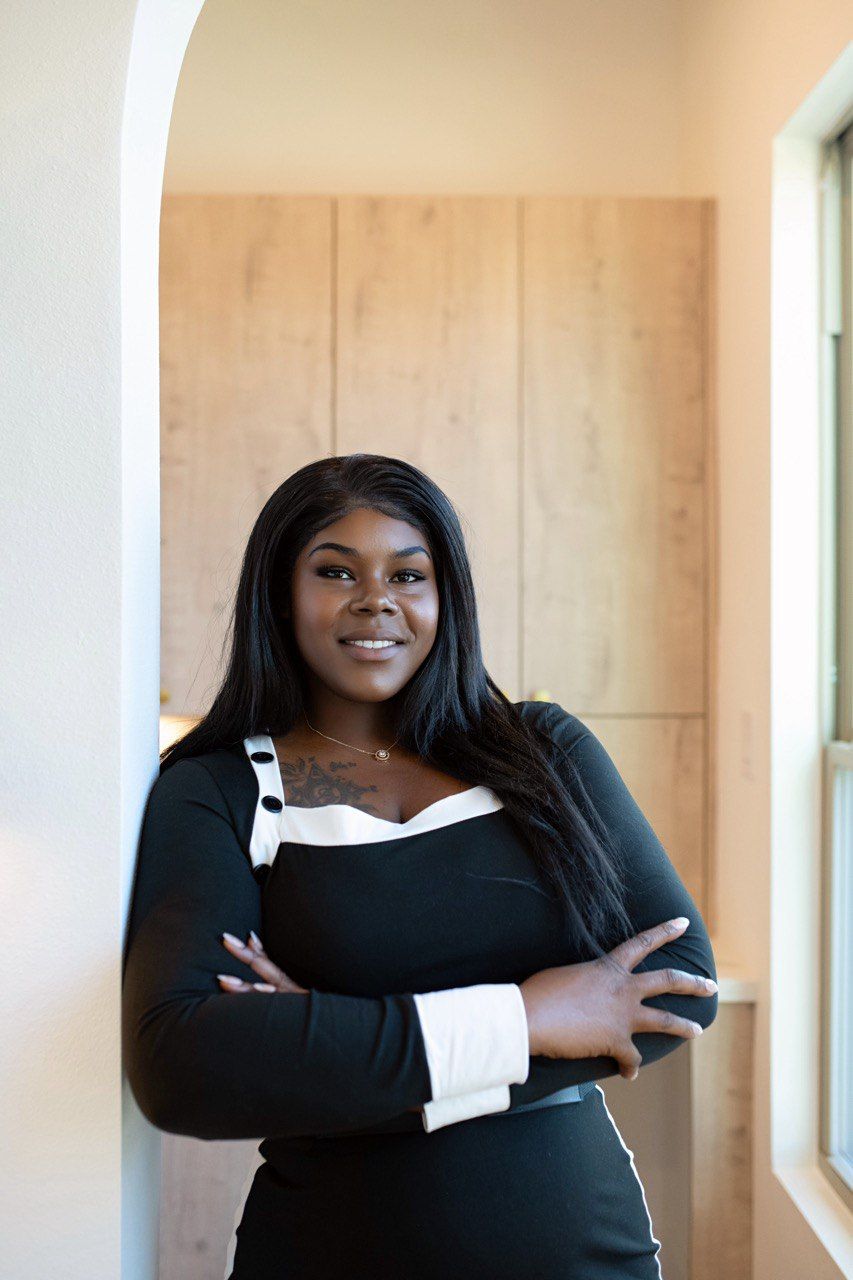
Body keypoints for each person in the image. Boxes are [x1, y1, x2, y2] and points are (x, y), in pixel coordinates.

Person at [121, 452, 718, 1280]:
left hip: (583, 1252)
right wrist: (527, 1017)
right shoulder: (216, 789)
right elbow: (181, 1066)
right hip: (329, 1252)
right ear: (278, 595)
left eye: (410, 575)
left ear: (446, 599)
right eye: (336, 570)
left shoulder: (544, 750)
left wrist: (335, 1050)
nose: (377, 601)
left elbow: (680, 983)